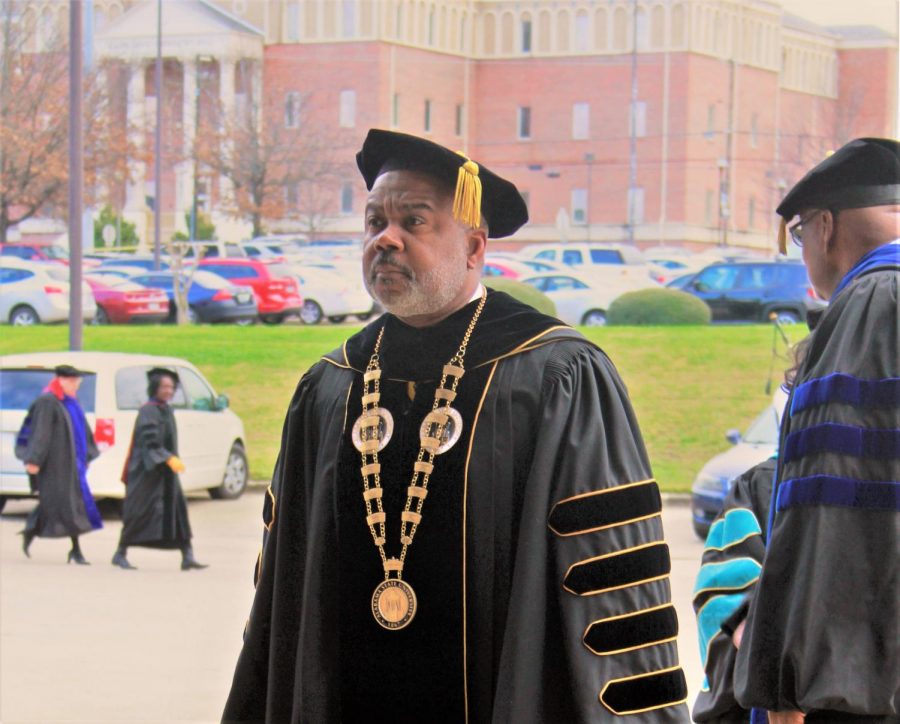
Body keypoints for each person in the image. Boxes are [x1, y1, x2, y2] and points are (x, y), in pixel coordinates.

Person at [223, 129, 688, 722]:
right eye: (373, 223)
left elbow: (612, 578)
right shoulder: (332, 384)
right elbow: (284, 596)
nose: (385, 240)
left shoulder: (554, 375)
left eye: (412, 222)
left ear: (473, 247)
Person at [733, 137, 900, 723]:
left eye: (800, 236)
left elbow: (835, 511)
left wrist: (788, 674)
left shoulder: (874, 301)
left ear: (825, 226)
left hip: (864, 681)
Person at [111, 367, 207, 571]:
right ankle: (120, 553)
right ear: (154, 387)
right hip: (146, 472)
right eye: (164, 386)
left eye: (171, 387)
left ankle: (187, 555)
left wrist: (170, 460)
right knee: (139, 512)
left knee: (177, 511)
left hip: (165, 473)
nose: (169, 390)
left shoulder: (166, 409)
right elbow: (149, 440)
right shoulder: (149, 410)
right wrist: (167, 458)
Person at [16, 364, 102, 564]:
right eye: (73, 383)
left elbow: (82, 430)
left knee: (71, 505)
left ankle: (73, 548)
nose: (76, 387)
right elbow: (40, 433)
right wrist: (34, 460)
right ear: (61, 381)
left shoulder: (71, 400)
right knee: (64, 504)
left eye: (77, 383)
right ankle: (73, 549)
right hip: (55, 463)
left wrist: (86, 456)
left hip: (72, 462)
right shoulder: (48, 402)